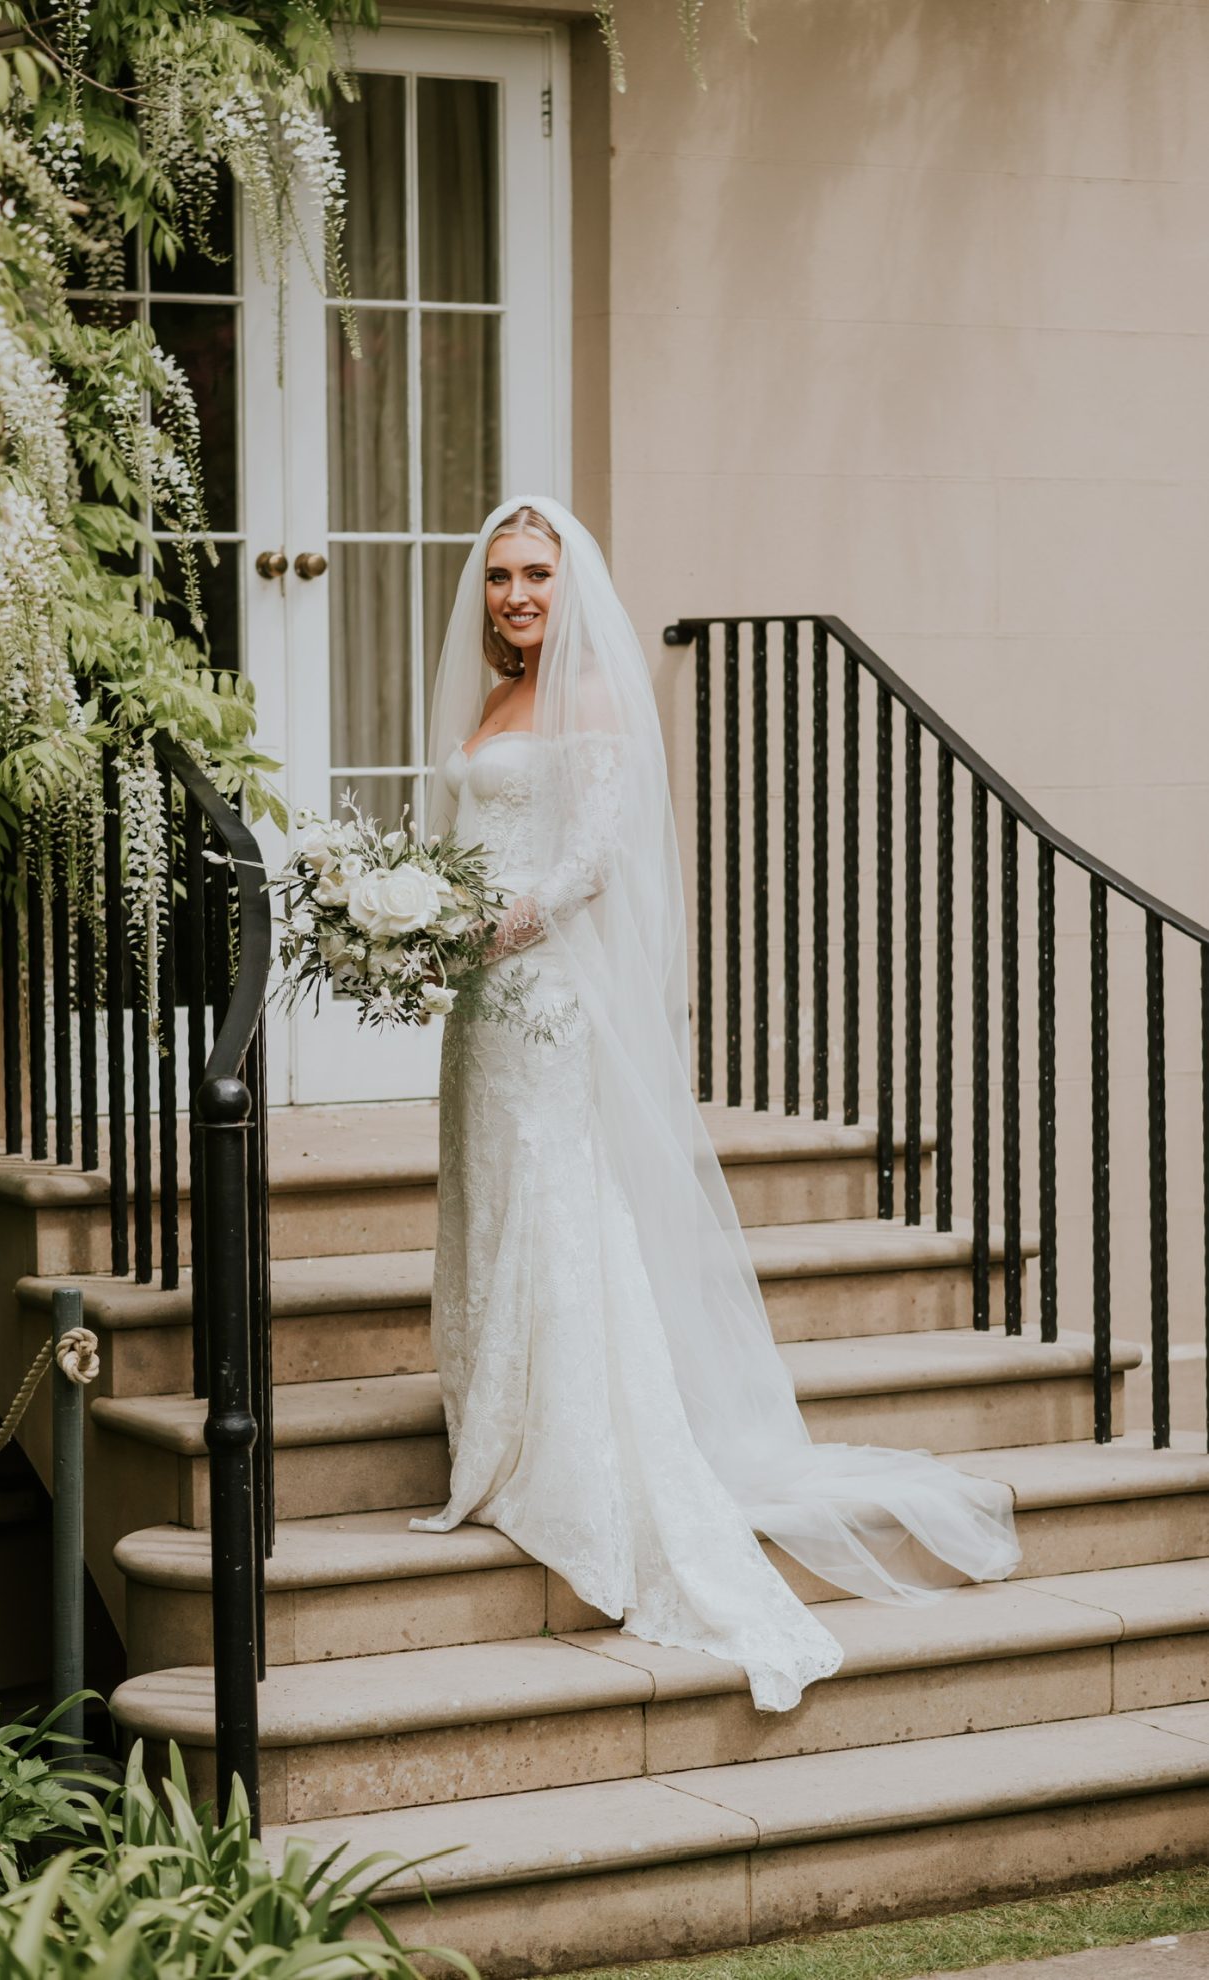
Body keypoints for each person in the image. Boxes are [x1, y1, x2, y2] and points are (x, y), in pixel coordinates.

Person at [411, 496, 1020, 1710]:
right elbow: (474, 841)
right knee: (487, 1194)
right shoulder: (491, 703)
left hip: (541, 993)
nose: (516, 597)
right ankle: (497, 1433)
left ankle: (574, 1456)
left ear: (567, 583)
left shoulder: (584, 699)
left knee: (554, 1196)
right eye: (497, 579)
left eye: (534, 575)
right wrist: (424, 918)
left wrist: (488, 929)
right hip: (480, 1006)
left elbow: (593, 858)